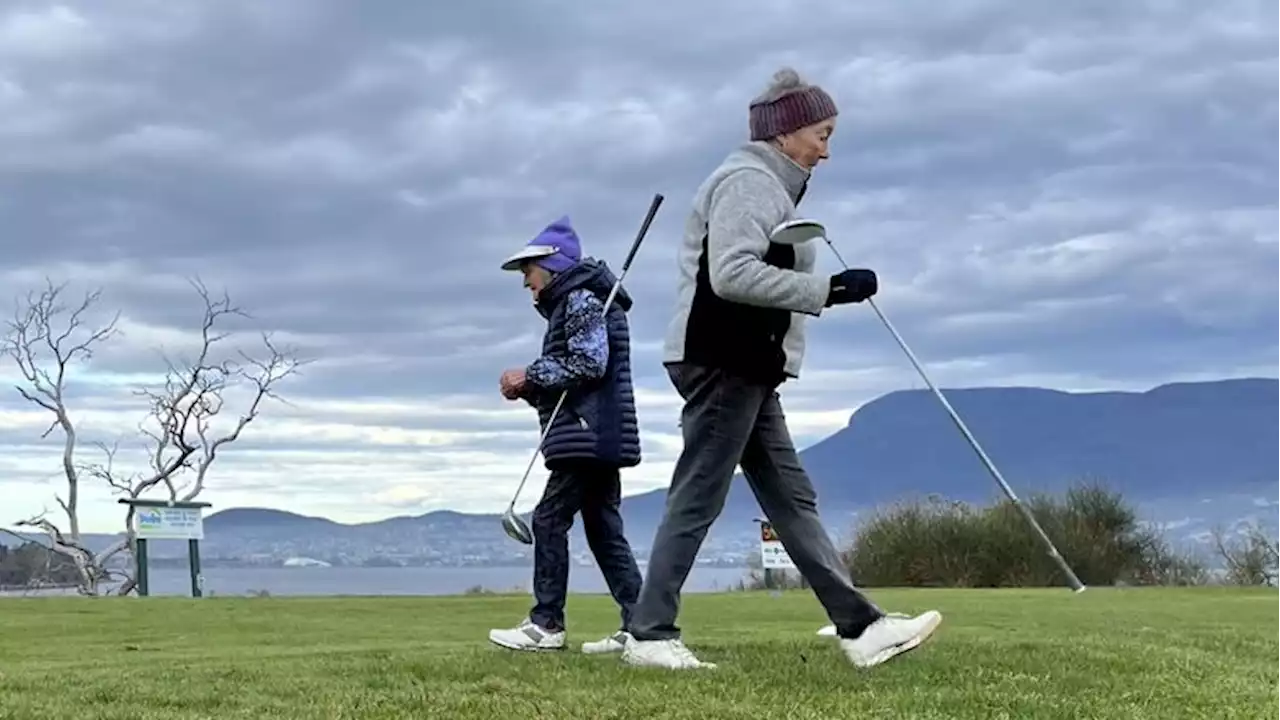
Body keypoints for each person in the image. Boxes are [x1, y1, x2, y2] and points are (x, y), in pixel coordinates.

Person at [621, 68, 943, 670]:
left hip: (746, 364)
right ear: (785, 133)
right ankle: (649, 634)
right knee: (699, 495)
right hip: (722, 359)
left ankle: (860, 626)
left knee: (791, 496)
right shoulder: (749, 182)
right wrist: (830, 288)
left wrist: (823, 290)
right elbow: (732, 274)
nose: (827, 148)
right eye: (820, 133)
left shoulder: (772, 185)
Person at [488, 216, 646, 655]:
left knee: (548, 519)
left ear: (551, 266)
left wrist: (529, 375)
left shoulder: (578, 299)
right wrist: (530, 388)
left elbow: (588, 364)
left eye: (527, 272)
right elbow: (577, 374)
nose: (525, 283)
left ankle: (546, 624)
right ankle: (641, 625)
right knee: (602, 528)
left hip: (587, 435)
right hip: (596, 432)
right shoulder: (578, 300)